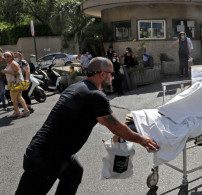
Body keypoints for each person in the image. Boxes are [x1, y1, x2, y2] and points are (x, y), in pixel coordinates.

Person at [15, 57, 159, 195]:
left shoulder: (77, 87)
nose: (113, 77)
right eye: (112, 73)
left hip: (58, 153)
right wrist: (142, 139)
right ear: (103, 74)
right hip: (45, 159)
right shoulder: (95, 95)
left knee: (74, 173)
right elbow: (116, 127)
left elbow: (110, 122)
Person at [1, 51, 30, 118]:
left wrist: (5, 71)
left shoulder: (13, 63)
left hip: (15, 84)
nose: (6, 58)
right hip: (13, 83)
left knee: (13, 98)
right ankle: (26, 110)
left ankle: (17, 111)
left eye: (8, 56)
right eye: (5, 57)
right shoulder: (9, 63)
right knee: (19, 97)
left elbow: (17, 73)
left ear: (12, 57)